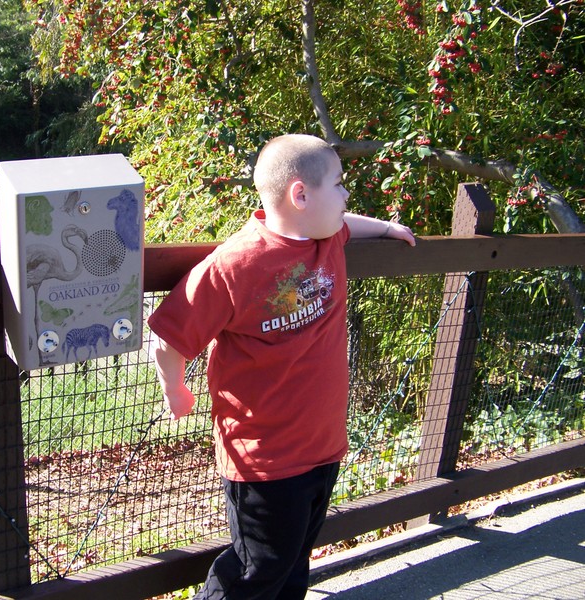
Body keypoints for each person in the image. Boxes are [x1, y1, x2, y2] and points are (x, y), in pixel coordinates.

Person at [147, 134, 415, 600]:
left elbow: (346, 222)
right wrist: (175, 389)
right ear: (300, 195)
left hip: (322, 449)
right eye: (339, 184)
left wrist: (388, 228)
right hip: (265, 463)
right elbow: (169, 337)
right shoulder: (234, 264)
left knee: (292, 569)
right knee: (255, 572)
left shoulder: (326, 238)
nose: (346, 195)